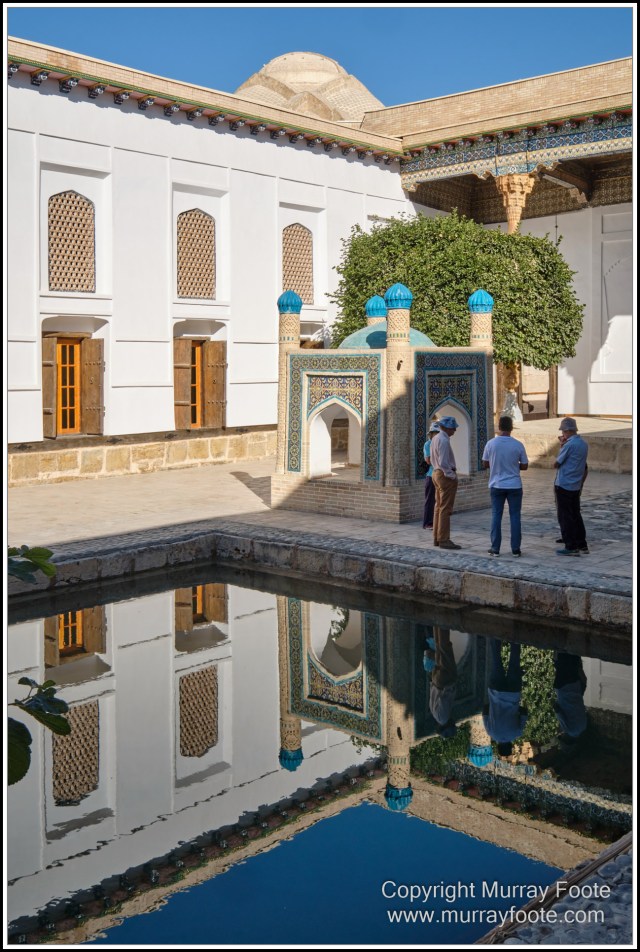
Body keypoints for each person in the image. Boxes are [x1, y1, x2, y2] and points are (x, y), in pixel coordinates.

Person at [482, 415, 529, 557]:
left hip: (497, 484)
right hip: (514, 485)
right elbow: (525, 465)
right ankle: (516, 549)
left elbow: (485, 463)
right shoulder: (518, 444)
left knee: (496, 515)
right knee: (515, 516)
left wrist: (496, 464)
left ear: (499, 427)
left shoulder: (491, 444)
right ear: (511, 428)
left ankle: (495, 548)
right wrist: (514, 465)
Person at [482, 639, 528, 757]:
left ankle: (515, 635)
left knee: (514, 661)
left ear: (510, 745)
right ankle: (495, 635)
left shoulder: (517, 733)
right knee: (496, 660)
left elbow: (524, 713)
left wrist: (515, 709)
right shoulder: (490, 732)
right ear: (498, 745)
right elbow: (485, 711)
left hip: (513, 694)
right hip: (496, 692)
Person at [554, 418, 589, 556]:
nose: (563, 433)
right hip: (576, 485)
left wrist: (562, 445)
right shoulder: (583, 444)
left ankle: (571, 546)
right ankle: (582, 544)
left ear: (567, 431)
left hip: (564, 484)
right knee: (575, 514)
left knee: (565, 516)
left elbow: (556, 463)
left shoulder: (569, 445)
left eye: (563, 431)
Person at [430, 415, 461, 550]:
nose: (454, 431)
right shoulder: (443, 440)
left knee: (439, 507)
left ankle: (437, 538)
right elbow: (443, 462)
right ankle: (444, 539)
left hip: (436, 473)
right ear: (447, 428)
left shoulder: (435, 438)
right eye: (453, 428)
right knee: (445, 508)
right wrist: (451, 475)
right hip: (444, 475)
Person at [428, 627, 458, 738]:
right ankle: (437, 622)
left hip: (444, 681)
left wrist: (452, 686)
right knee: (439, 648)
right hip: (436, 680)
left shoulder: (443, 717)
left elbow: (443, 699)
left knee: (445, 647)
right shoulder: (435, 715)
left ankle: (443, 621)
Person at [553, 653, 588, 747]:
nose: (561, 735)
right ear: (566, 740)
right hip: (563, 688)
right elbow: (558, 711)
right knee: (561, 656)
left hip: (575, 685)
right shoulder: (568, 730)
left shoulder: (583, 726)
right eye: (562, 737)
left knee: (572, 656)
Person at [422, 421, 440, 529]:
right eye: (436, 433)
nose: (437, 435)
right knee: (430, 500)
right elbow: (428, 460)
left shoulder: (441, 443)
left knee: (439, 499)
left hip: (440, 474)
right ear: (432, 434)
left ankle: (436, 521)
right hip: (431, 475)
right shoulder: (428, 444)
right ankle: (428, 523)